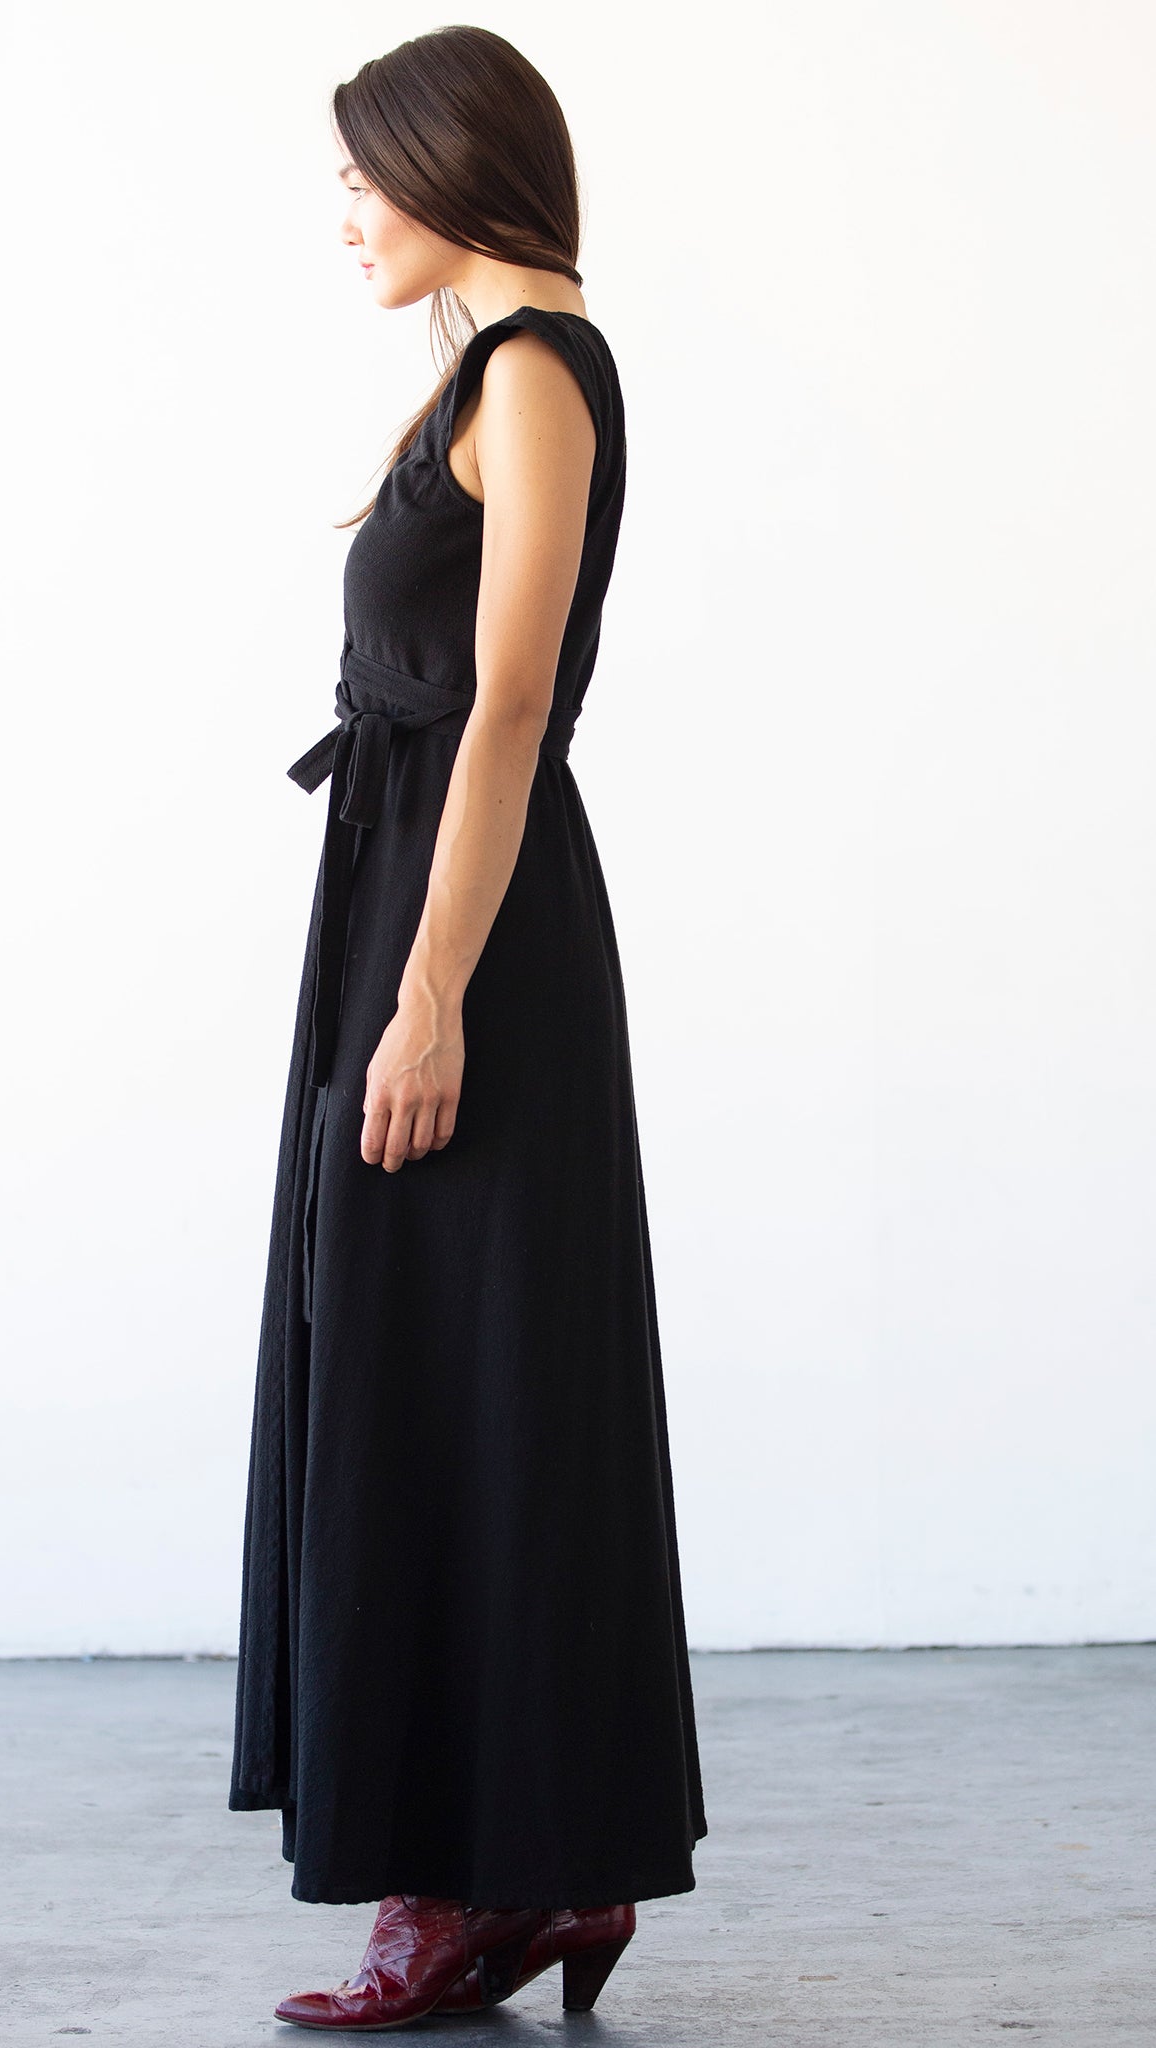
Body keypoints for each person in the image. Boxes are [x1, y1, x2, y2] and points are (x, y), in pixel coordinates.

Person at [227, 25, 707, 2031]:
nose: (341, 213)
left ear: (454, 163)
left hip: (468, 931)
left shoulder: (531, 377)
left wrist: (429, 1000)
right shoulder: (487, 368)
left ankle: (450, 1888)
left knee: (453, 1381)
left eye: (361, 175)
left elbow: (510, 710)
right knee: (443, 1369)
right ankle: (535, 1869)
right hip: (408, 895)